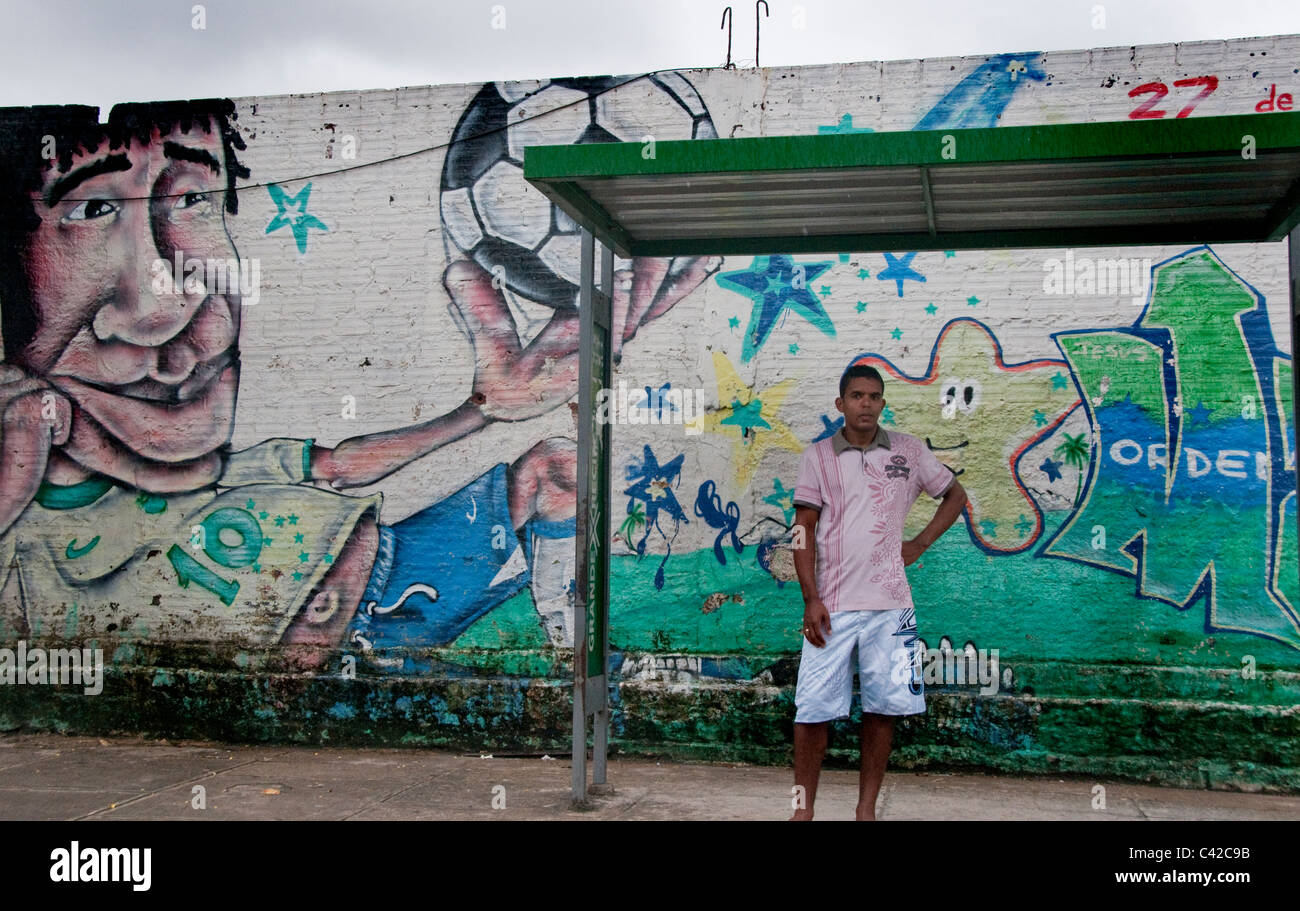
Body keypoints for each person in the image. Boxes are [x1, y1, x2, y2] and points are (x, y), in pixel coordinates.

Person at [0, 100, 715, 668]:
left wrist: (481, 409)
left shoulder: (212, 473)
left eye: (193, 200)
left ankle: (579, 661)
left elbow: (340, 466)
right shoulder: (27, 544)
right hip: (353, 660)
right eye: (94, 211)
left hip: (400, 568)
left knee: (558, 467)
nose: (167, 306)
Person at [789, 363, 968, 820]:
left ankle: (865, 810)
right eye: (856, 396)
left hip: (891, 606)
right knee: (812, 712)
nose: (864, 403)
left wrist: (919, 543)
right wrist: (810, 597)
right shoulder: (818, 457)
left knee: (883, 709)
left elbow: (955, 495)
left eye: (873, 396)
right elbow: (802, 530)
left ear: (882, 403)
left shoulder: (907, 451)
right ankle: (802, 811)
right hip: (832, 606)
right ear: (841, 404)